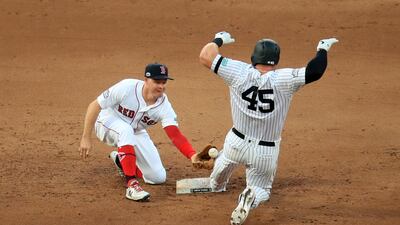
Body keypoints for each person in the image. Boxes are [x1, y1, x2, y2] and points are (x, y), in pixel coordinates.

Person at [199, 31, 338, 225]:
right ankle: (251, 195)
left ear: (254, 57)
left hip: (236, 142)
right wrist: (322, 49)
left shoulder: (237, 71)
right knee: (262, 189)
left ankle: (216, 183)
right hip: (265, 151)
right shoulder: (285, 78)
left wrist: (218, 39)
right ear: (276, 60)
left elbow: (206, 56)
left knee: (224, 161)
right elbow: (314, 71)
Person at [79, 63, 203, 202]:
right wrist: (86, 137)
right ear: (146, 80)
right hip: (107, 123)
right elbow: (94, 105)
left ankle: (122, 160)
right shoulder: (126, 87)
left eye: (164, 82)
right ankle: (132, 185)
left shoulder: (164, 106)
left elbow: (175, 134)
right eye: (157, 81)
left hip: (135, 132)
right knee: (125, 130)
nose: (161, 86)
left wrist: (192, 155)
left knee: (157, 177)